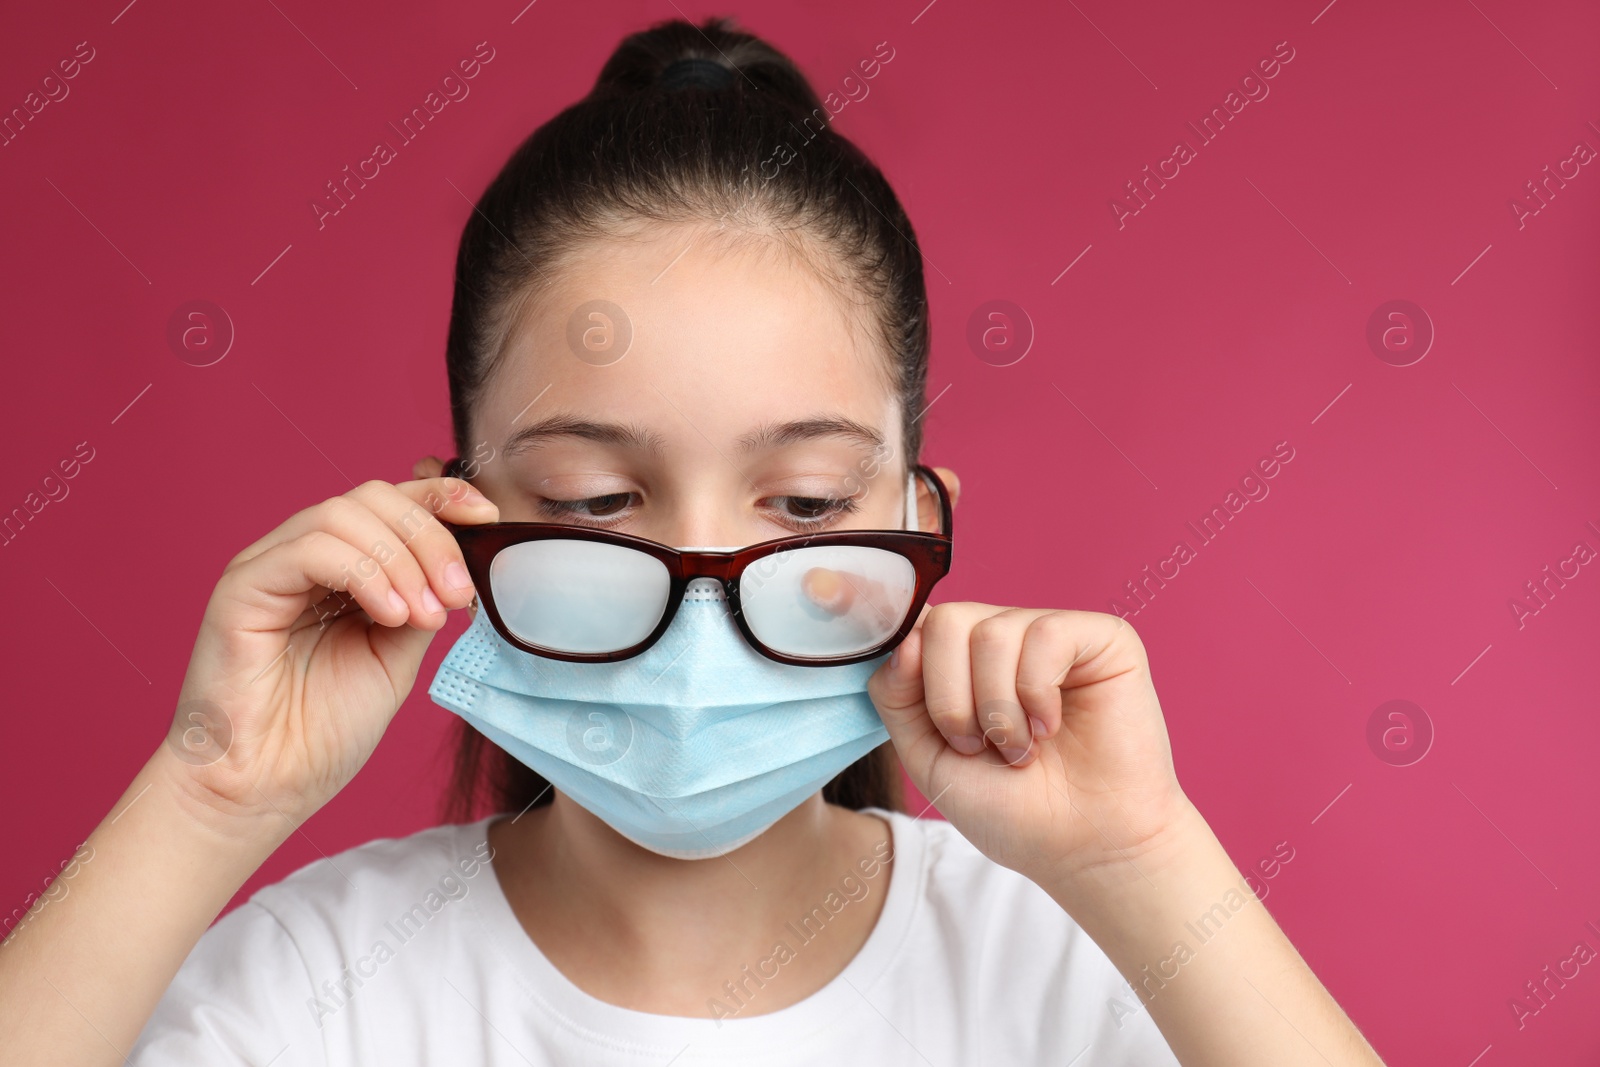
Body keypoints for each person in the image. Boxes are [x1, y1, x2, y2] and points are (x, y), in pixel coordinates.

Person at [0, 16, 1386, 1067]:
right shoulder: (322, 987)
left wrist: (1147, 859)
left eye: (802, 506)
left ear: (921, 525)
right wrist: (207, 795)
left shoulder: (1078, 968)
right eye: (599, 505)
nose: (704, 598)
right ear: (448, 527)